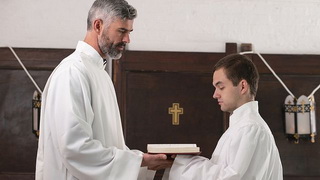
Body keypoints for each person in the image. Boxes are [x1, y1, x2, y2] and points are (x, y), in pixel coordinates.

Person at [35, 0, 172, 179]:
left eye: (129, 32)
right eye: (122, 31)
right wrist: (140, 161)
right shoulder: (73, 71)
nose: (127, 40)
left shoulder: (100, 73)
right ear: (98, 25)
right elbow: (75, 148)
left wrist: (145, 163)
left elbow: (110, 145)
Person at [163, 54, 283, 180]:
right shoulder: (243, 126)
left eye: (221, 87)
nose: (215, 95)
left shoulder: (250, 127)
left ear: (242, 86)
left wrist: (181, 162)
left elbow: (229, 177)